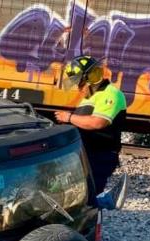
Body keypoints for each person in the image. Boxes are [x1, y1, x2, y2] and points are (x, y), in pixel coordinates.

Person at [54, 55, 127, 208]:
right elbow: (83, 121)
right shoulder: (90, 97)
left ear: (89, 79)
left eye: (79, 83)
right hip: (85, 154)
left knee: (85, 200)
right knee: (73, 196)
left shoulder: (110, 94)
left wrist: (69, 117)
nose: (78, 88)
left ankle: (107, 201)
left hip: (99, 156)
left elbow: (98, 122)